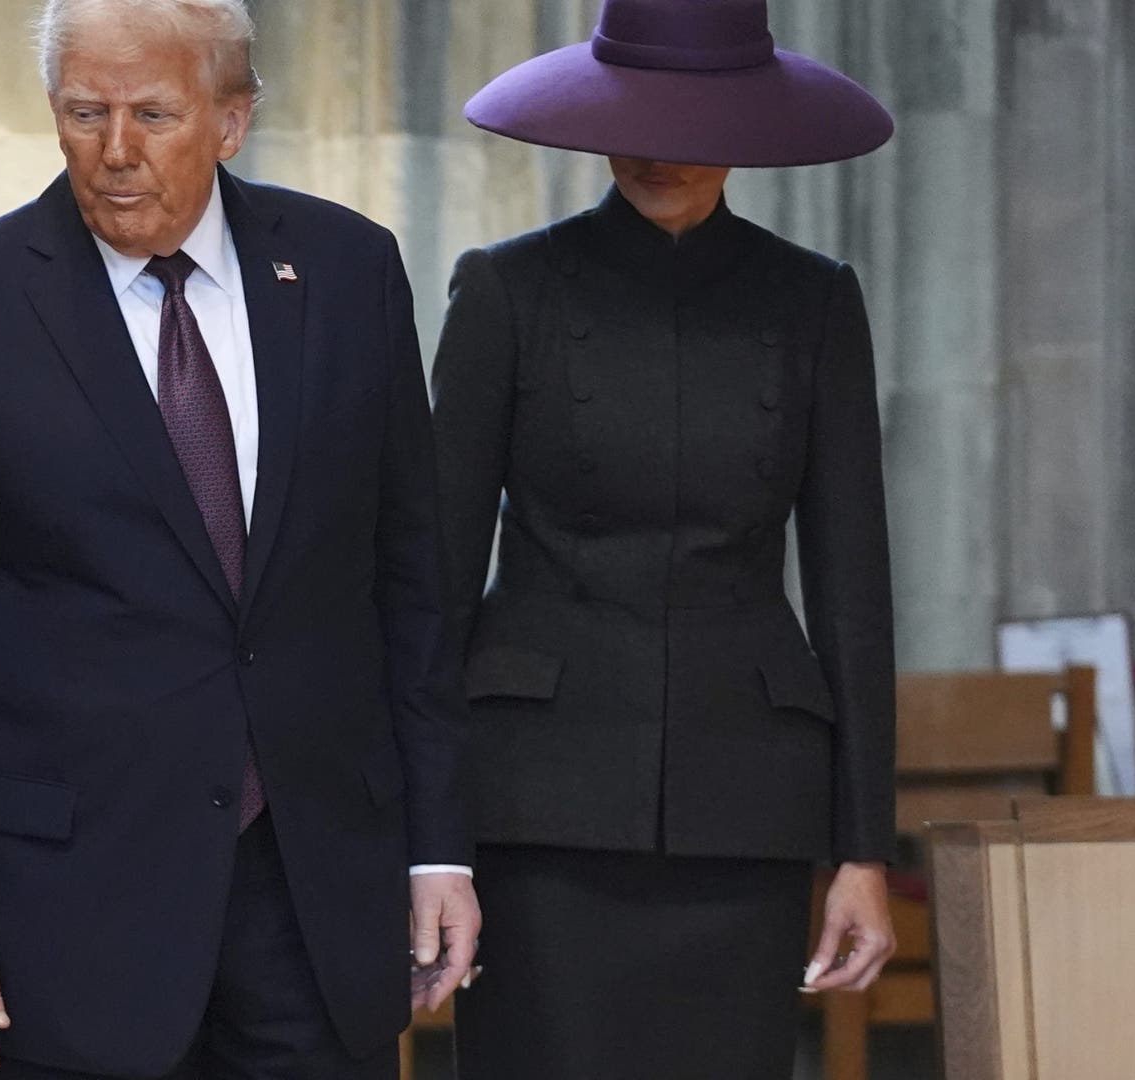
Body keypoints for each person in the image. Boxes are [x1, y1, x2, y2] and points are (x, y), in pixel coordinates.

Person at [0, 1, 478, 1076]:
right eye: (86, 113)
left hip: (314, 896)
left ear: (233, 120)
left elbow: (408, 587)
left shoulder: (349, 270)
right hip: (63, 921)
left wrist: (436, 845)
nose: (117, 151)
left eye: (153, 113)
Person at [434, 1, 898, 1075]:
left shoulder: (815, 301)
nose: (657, 148)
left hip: (747, 813)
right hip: (536, 809)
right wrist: (422, 844)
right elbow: (437, 582)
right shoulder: (509, 289)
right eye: (636, 115)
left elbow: (853, 589)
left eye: (693, 119)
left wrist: (862, 849)